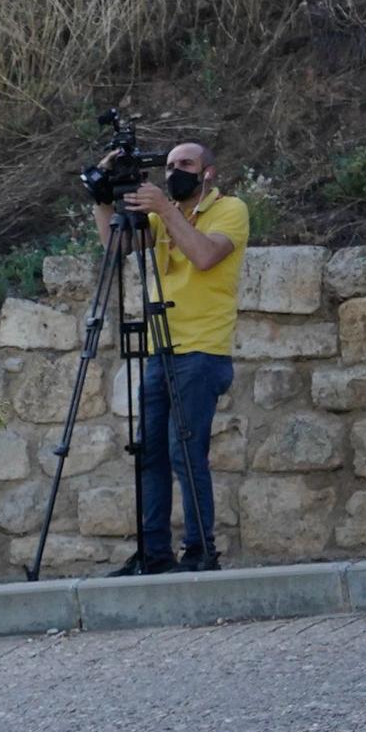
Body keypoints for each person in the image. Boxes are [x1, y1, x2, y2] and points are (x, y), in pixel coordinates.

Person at [96, 141, 249, 574]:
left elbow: (204, 256)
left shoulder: (230, 211)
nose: (175, 170)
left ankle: (201, 551)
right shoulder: (164, 216)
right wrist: (102, 199)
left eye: (185, 164)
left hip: (202, 351)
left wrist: (165, 210)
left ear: (208, 173)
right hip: (161, 350)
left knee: (186, 452)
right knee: (150, 453)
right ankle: (154, 553)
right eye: (169, 165)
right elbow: (114, 245)